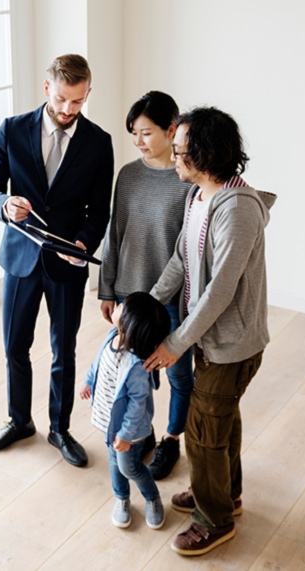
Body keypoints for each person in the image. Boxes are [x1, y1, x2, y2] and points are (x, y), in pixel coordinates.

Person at [143, 107, 275, 556]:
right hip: (209, 337)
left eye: (180, 151)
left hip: (233, 344)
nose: (173, 157)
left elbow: (219, 292)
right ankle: (226, 495)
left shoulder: (236, 211)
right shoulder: (198, 196)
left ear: (203, 155)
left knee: (202, 430)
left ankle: (213, 518)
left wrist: (175, 345)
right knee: (222, 420)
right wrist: (149, 302)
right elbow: (182, 258)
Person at [0, 55, 115, 468]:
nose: (67, 110)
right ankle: (20, 421)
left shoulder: (98, 142)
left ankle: (60, 428)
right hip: (20, 257)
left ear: (87, 93)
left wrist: (81, 242)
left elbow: (99, 212)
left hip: (66, 264)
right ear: (46, 89)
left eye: (77, 102)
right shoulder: (11, 130)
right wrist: (5, 205)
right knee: (15, 345)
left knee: (64, 350)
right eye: (60, 100)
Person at [97, 91, 195, 480]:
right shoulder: (128, 175)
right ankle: (145, 432)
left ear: (172, 130)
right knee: (135, 371)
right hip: (128, 294)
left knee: (176, 373)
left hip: (169, 300)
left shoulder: (187, 180)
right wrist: (107, 290)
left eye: (146, 133)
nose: (138, 142)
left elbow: (188, 251)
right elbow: (115, 234)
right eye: (134, 133)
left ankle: (172, 439)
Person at [79, 292, 170, 530]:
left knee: (129, 467)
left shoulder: (137, 367)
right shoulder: (113, 336)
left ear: (130, 326)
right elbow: (98, 362)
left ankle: (152, 497)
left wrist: (126, 435)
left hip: (127, 430)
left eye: (122, 307)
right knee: (113, 461)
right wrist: (89, 381)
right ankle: (121, 498)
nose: (118, 306)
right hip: (110, 422)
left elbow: (136, 405)